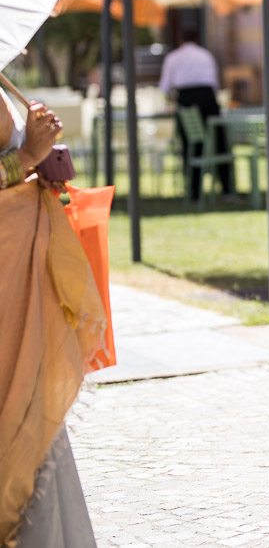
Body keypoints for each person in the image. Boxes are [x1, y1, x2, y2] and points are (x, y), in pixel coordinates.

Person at [1, 89, 105, 547]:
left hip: (22, 271)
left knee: (31, 399)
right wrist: (26, 156)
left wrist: (41, 163)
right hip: (7, 280)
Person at [159, 28, 232, 200]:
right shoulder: (206, 55)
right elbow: (214, 84)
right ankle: (227, 190)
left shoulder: (173, 57)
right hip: (208, 99)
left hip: (186, 100)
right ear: (197, 38)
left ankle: (194, 192)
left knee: (191, 146)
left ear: (179, 38)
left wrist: (169, 101)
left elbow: (164, 86)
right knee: (219, 143)